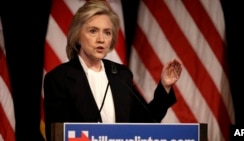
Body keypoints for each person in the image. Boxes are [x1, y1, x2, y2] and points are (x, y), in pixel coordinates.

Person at [43, 0, 182, 140]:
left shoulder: (120, 75)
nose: (101, 39)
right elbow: (58, 135)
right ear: (78, 36)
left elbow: (146, 123)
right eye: (93, 31)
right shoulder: (59, 79)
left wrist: (165, 86)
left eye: (107, 33)